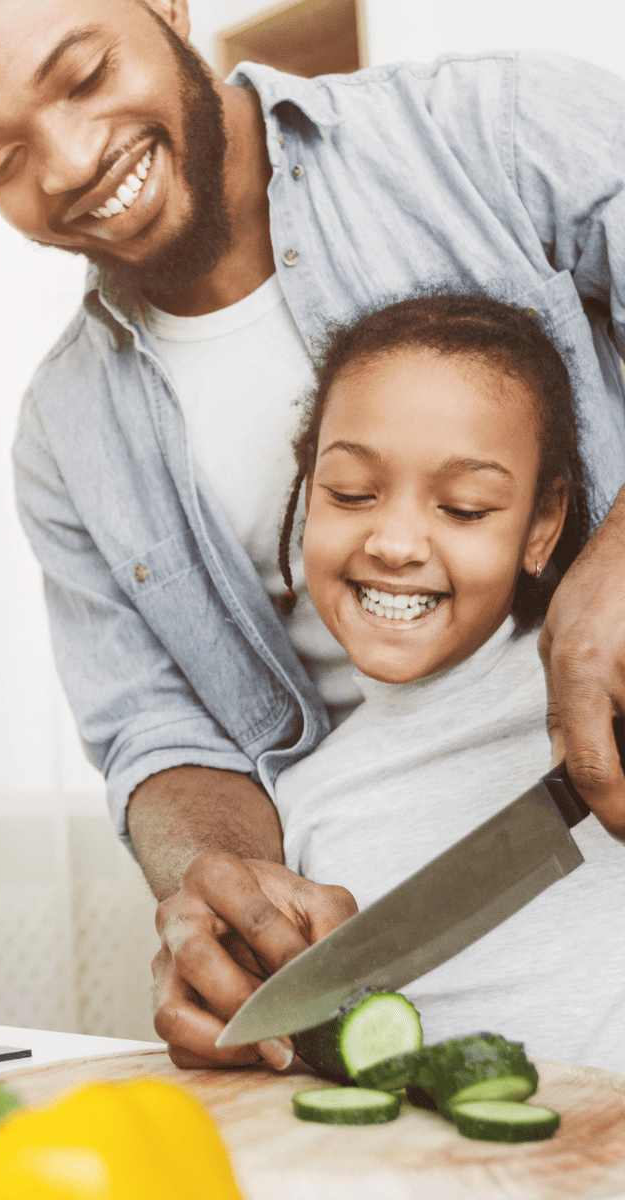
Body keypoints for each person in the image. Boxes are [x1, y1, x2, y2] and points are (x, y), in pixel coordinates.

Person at [0, 0, 625, 1068]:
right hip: (384, 915)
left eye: (81, 76)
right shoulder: (64, 434)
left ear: (166, 6)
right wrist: (212, 885)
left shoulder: (492, 129)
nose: (72, 161)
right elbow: (157, 734)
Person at [267, 292, 625, 1072]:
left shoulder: (600, 706)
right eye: (351, 492)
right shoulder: (304, 803)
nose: (395, 543)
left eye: (464, 508)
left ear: (541, 524)